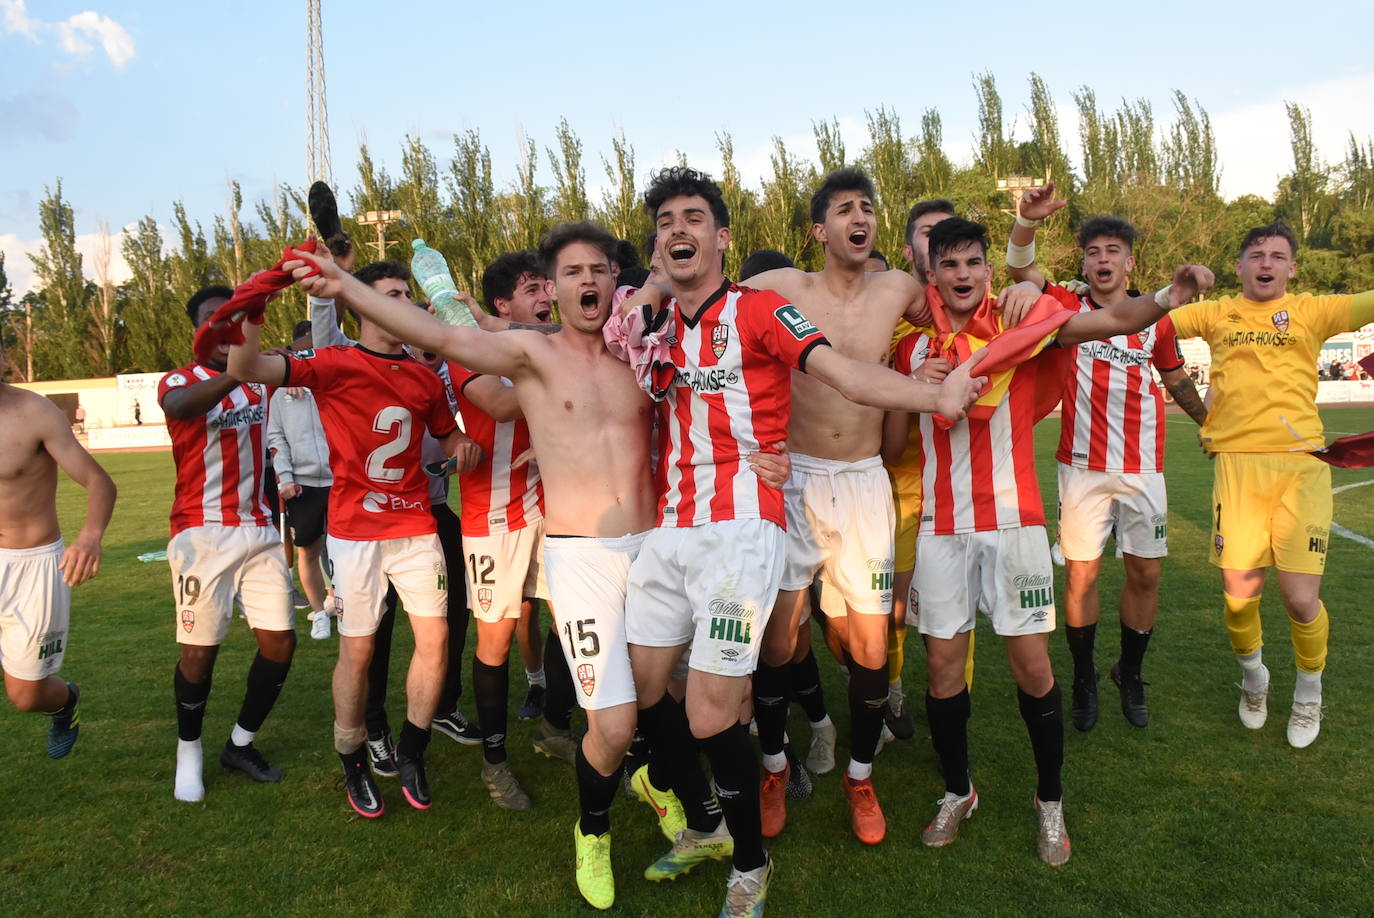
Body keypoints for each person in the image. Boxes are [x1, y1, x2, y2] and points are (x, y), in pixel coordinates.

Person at [280, 221, 792, 912]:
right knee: (611, 728)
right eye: (574, 272)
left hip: (660, 549)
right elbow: (442, 337)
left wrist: (770, 453)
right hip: (581, 561)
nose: (589, 281)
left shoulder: (647, 353)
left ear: (618, 281)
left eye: (601, 270)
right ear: (552, 289)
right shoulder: (532, 354)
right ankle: (594, 831)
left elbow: (723, 382)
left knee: (675, 703)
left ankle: (691, 812)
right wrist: (342, 287)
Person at [621, 166, 984, 915]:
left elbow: (859, 364)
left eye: (695, 218)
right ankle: (746, 792)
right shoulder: (657, 324)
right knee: (674, 685)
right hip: (696, 518)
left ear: (724, 237)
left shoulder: (772, 306)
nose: (678, 230)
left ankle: (847, 783)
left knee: (865, 653)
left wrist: (942, 374)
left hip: (800, 500)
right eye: (666, 221)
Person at [884, 217, 1212, 866]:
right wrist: (915, 387)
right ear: (932, 275)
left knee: (1032, 667)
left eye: (974, 262)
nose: (963, 275)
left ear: (985, 269)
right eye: (948, 265)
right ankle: (958, 792)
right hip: (940, 529)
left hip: (1014, 524)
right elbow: (887, 427)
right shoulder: (909, 346)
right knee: (945, 670)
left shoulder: (1019, 325)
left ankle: (1050, 801)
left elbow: (1111, 324)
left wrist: (1170, 298)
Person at [742, 168, 960, 845]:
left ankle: (859, 776)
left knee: (870, 645)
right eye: (843, 209)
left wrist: (1022, 283)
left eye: (867, 206)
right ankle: (774, 767)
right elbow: (705, 301)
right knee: (779, 640)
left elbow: (962, 304)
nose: (858, 217)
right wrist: (655, 282)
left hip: (865, 481)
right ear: (819, 230)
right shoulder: (782, 289)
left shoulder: (897, 287)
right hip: (796, 479)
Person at [228, 262, 480, 818]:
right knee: (359, 650)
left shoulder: (421, 375)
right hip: (356, 532)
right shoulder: (334, 362)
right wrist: (252, 310)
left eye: (407, 297)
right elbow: (246, 365)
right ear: (362, 306)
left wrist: (463, 447)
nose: (404, 304)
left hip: (416, 525)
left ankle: (413, 750)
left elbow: (449, 434)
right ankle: (353, 758)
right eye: (391, 295)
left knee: (435, 641)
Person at [1158, 220, 1374, 748]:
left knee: (1300, 601)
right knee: (1238, 598)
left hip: (1301, 469)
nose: (1267, 264)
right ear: (1239, 266)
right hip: (1238, 468)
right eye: (1257, 255)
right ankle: (1255, 679)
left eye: (1278, 256)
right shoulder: (1214, 312)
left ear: (1292, 268)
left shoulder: (1313, 310)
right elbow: (1151, 329)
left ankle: (1308, 691)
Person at [1007, 187, 1208, 729]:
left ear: (1129, 260)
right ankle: (1084, 677)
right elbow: (1018, 264)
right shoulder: (1065, 307)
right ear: (1083, 261)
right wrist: (1026, 221)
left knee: (1145, 576)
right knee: (1081, 579)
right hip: (1081, 468)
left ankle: (1131, 672)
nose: (1102, 260)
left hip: (1145, 469)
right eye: (1093, 251)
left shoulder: (1157, 317)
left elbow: (1176, 380)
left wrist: (1211, 422)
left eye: (1112, 250)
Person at [159, 286, 298, 802]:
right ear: (198, 330)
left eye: (235, 321)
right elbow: (179, 405)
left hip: (259, 530)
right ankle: (188, 749)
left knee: (280, 642)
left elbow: (322, 352)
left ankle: (240, 743)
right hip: (201, 534)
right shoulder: (181, 380)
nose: (226, 331)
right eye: (214, 322)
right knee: (199, 654)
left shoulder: (259, 380)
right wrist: (237, 372)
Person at [454, 251, 578, 809]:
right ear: (502, 304)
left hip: (551, 508)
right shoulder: (469, 350)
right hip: (493, 518)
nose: (546, 296)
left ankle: (554, 728)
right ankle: (495, 763)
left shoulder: (548, 340)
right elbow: (502, 405)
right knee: (496, 641)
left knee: (570, 619)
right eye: (532, 289)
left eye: (545, 287)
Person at [0, 338, 114, 758]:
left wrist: (90, 537)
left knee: (27, 697)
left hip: (31, 566)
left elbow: (100, 481)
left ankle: (66, 702)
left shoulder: (35, 413)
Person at [268, 321, 335, 640]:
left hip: (340, 480)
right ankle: (319, 612)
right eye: (302, 351)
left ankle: (344, 602)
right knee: (307, 549)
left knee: (345, 549)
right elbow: (275, 435)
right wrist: (286, 477)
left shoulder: (333, 382)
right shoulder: (281, 393)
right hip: (304, 485)